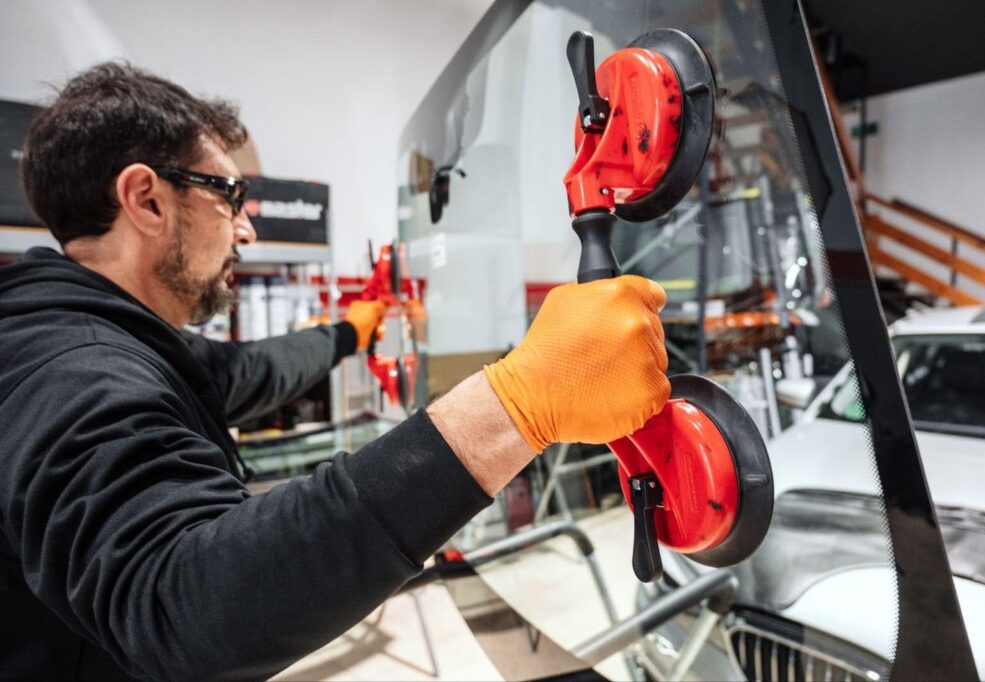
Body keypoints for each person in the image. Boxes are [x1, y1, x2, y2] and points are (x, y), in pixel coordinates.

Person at [0, 63, 669, 681]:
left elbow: (248, 372)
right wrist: (522, 402)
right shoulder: (74, 369)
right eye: (228, 195)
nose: (245, 230)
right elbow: (181, 601)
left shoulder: (111, 336)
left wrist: (355, 328)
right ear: (146, 200)